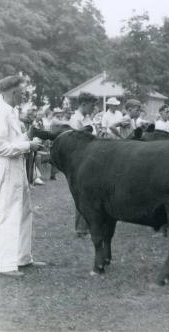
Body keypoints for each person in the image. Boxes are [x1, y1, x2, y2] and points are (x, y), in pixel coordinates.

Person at [0, 75, 45, 277]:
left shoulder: (11, 113)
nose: (24, 95)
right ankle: (5, 265)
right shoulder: (0, 114)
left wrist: (29, 136)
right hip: (8, 167)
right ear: (13, 92)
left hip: (18, 166)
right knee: (9, 213)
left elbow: (14, 141)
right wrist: (28, 145)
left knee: (25, 211)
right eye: (22, 92)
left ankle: (22, 258)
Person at [69, 92, 98, 236]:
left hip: (91, 157)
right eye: (92, 105)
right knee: (82, 194)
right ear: (84, 104)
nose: (93, 108)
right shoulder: (75, 119)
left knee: (91, 193)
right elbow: (77, 141)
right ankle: (80, 229)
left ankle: (87, 226)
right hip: (80, 159)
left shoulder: (87, 118)